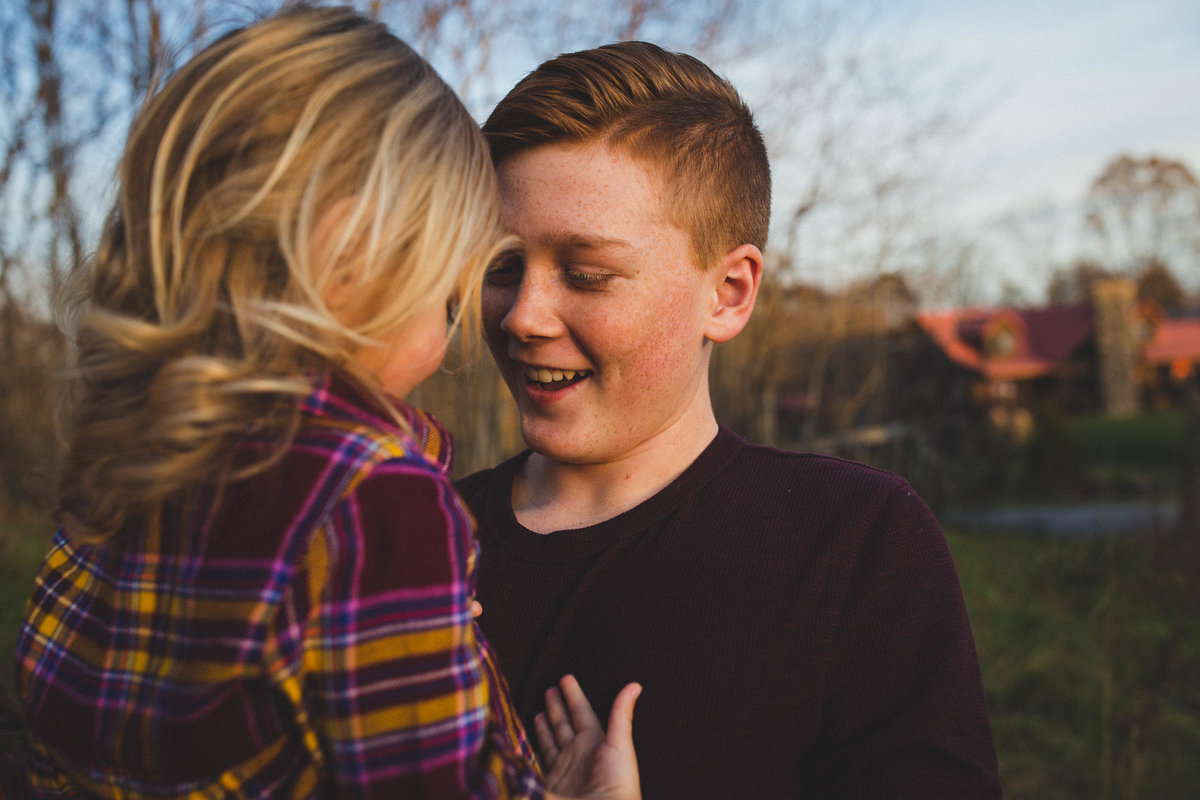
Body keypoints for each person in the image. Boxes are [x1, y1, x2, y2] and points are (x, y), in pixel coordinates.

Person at [12, 7, 641, 799]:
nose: (449, 347)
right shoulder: (372, 503)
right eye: (443, 295)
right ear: (348, 253)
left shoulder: (120, 469)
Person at [457, 41, 1002, 799]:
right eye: (501, 267)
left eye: (587, 274)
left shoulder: (853, 544)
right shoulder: (413, 538)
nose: (522, 316)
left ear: (729, 293)